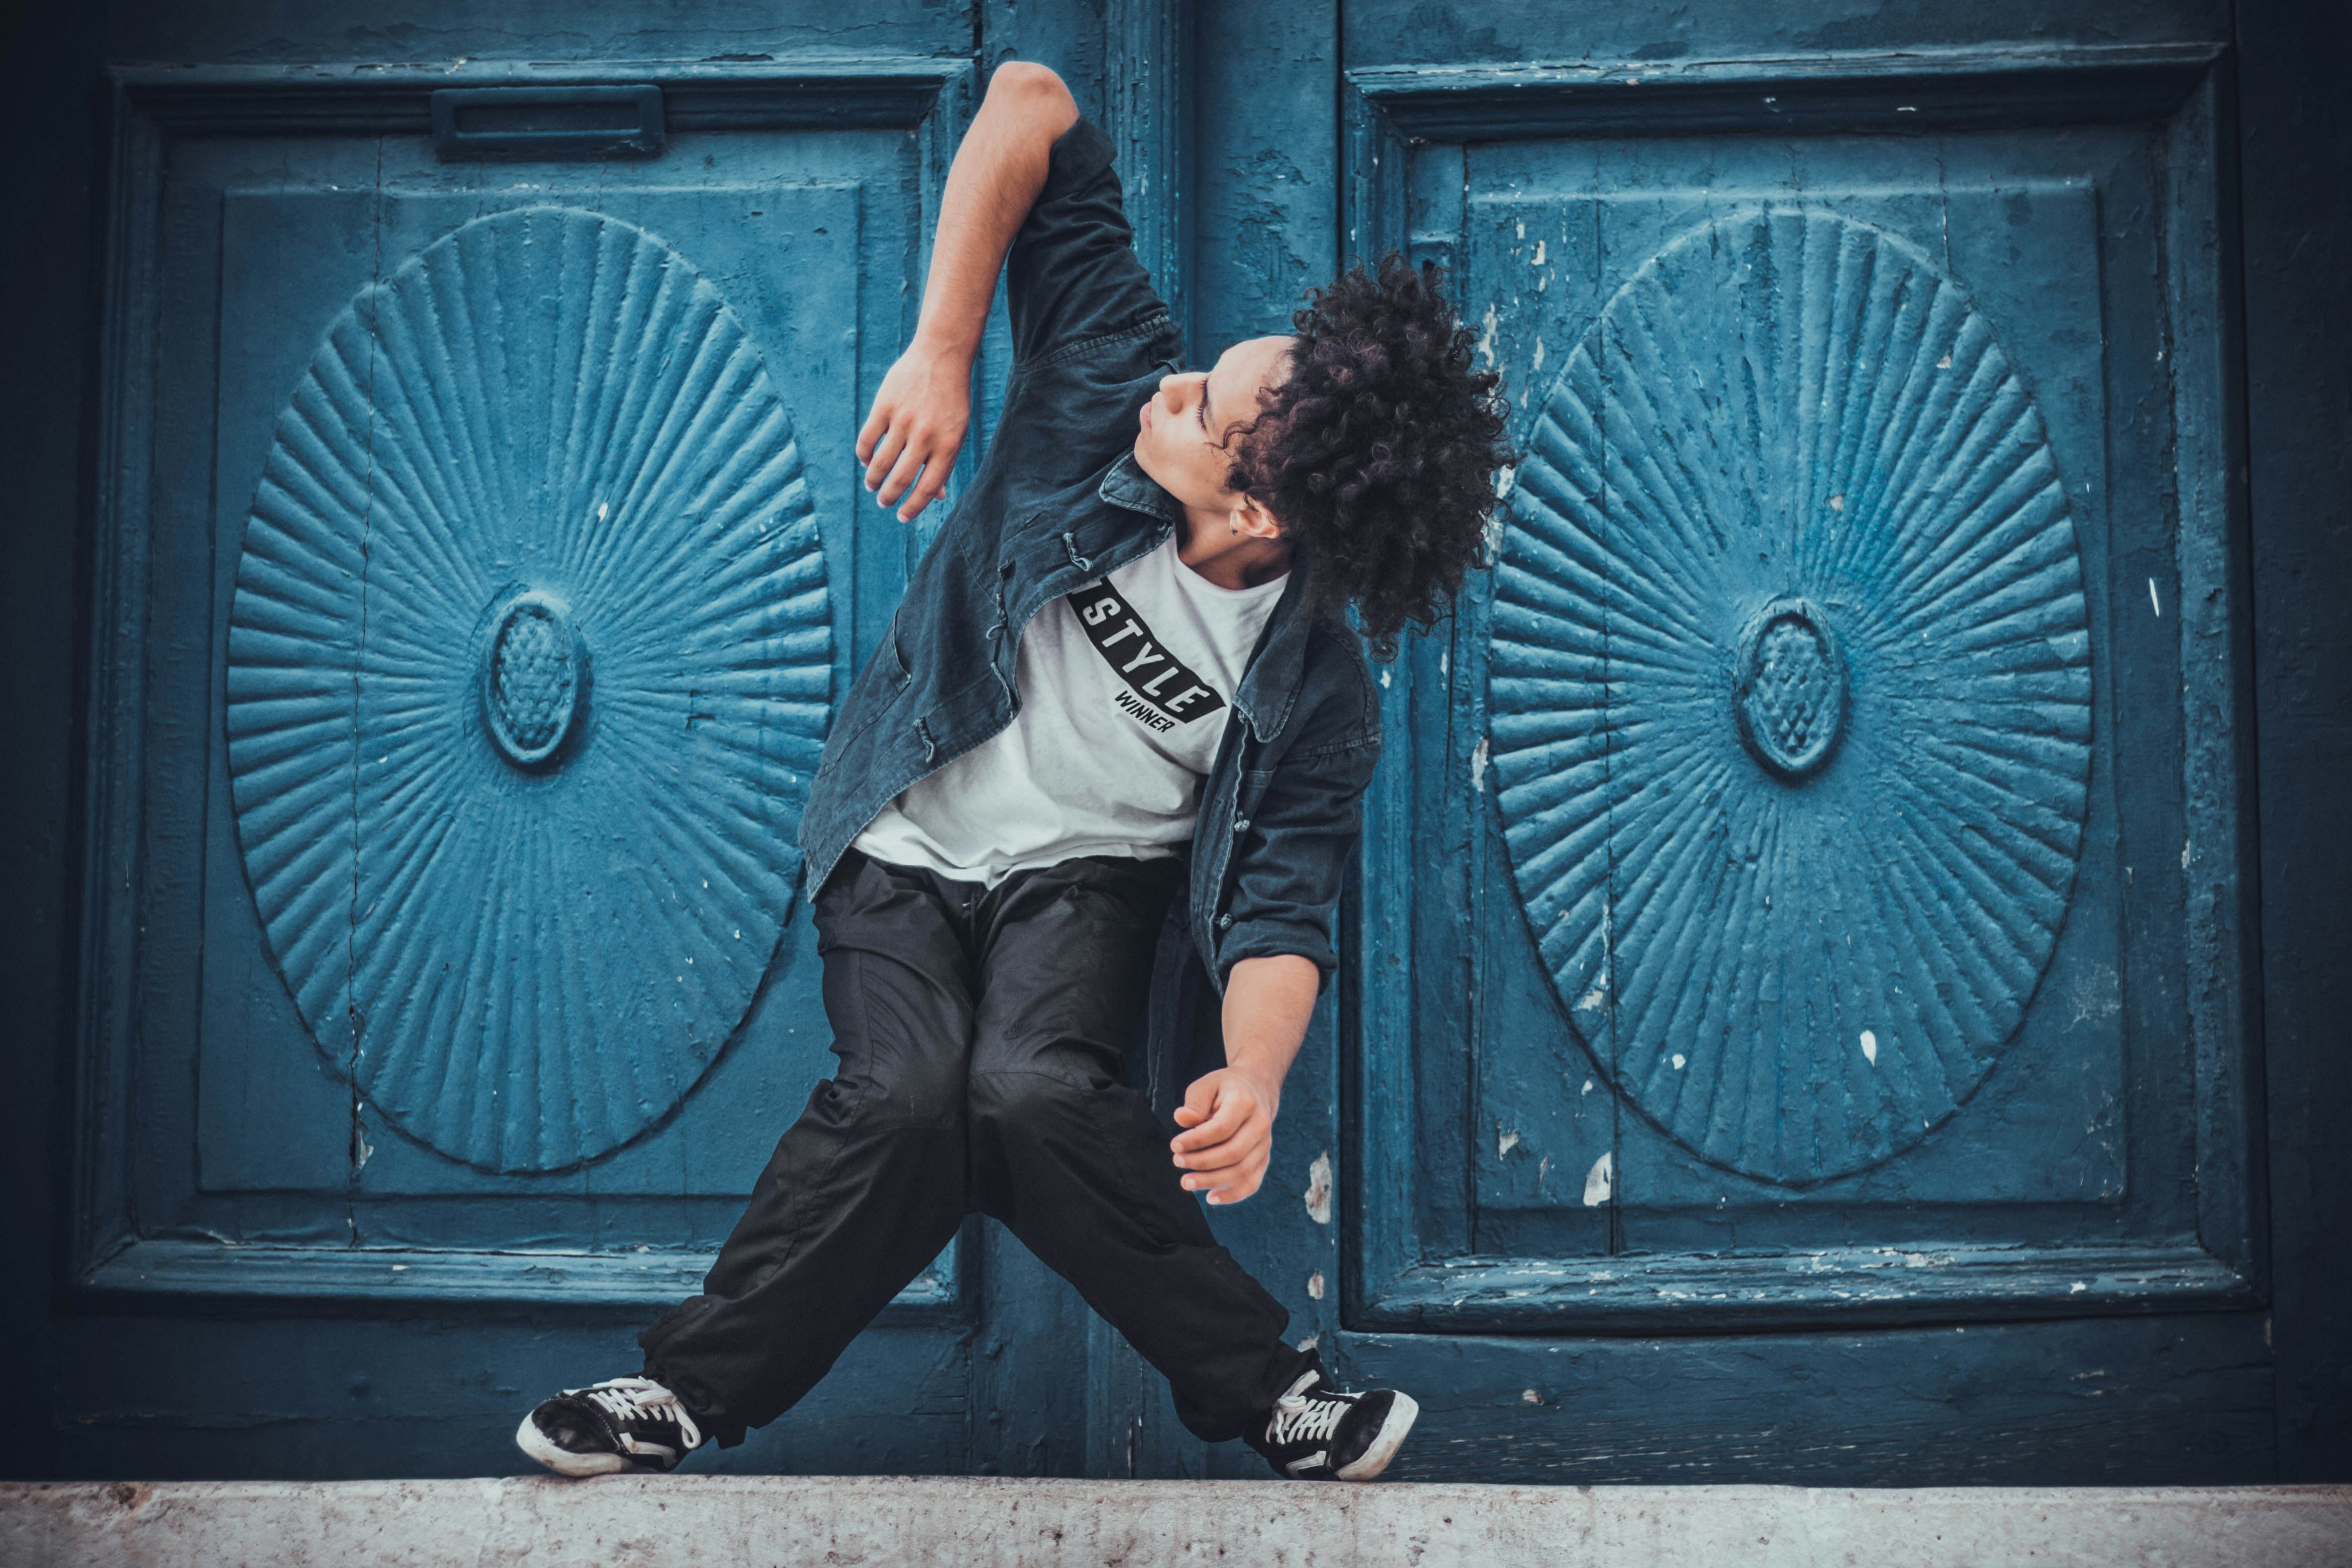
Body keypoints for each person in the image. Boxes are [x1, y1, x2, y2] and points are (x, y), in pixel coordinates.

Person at [515, 59, 1509, 1483]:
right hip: (907, 835)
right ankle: (677, 1398)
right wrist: (943, 344)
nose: (1170, 385)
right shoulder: (1105, 371)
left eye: (1200, 404)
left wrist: (1256, 1076)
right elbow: (1032, 100)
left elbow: (1286, 906)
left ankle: (1277, 1397)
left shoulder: (1314, 686)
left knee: (1030, 1098)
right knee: (914, 1099)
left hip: (1085, 885)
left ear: (1253, 507)